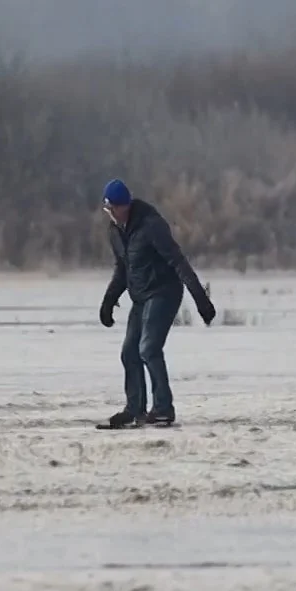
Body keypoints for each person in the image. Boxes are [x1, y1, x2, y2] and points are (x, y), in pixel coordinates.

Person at [97, 179, 214, 427]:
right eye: (108, 209)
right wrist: (109, 301)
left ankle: (163, 408)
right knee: (129, 352)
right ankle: (134, 410)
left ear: (125, 205)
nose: (112, 213)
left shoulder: (151, 225)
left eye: (114, 208)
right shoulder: (114, 231)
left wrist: (200, 299)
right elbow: (123, 269)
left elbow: (178, 261)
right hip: (140, 296)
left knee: (148, 348)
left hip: (164, 293)